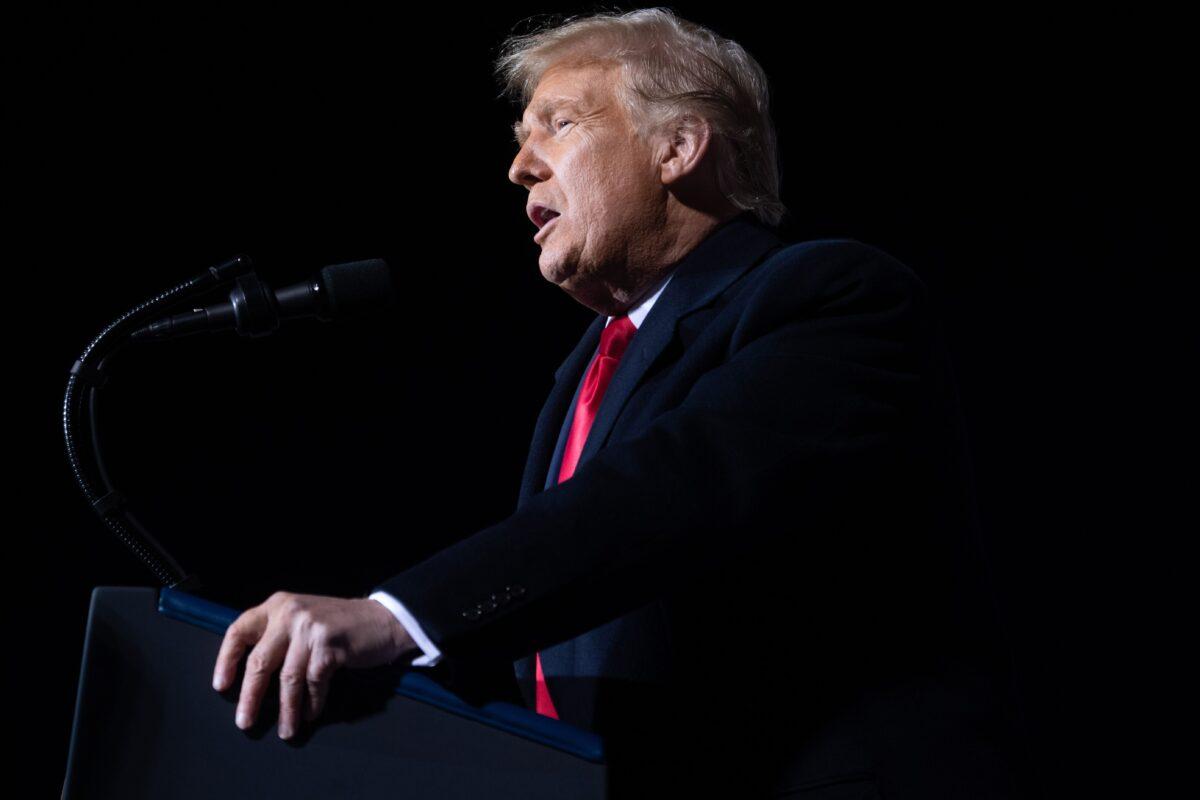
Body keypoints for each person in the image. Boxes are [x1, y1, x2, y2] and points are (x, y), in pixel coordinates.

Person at [213, 9, 1025, 797]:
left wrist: (400, 618)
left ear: (677, 146)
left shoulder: (830, 295)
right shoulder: (586, 372)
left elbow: (677, 488)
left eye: (557, 125)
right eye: (520, 140)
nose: (520, 168)